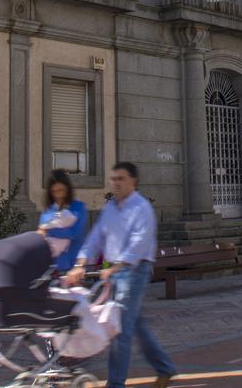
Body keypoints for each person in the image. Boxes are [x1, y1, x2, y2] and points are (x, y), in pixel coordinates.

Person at [65, 163, 176, 388]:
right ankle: (165, 368)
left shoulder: (141, 208)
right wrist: (81, 262)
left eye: (121, 178)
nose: (115, 182)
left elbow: (139, 242)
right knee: (134, 324)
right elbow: (96, 236)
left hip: (134, 272)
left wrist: (117, 266)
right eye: (113, 178)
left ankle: (115, 384)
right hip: (115, 273)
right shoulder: (110, 208)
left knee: (119, 329)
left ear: (133, 182)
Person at [38, 169, 88, 273]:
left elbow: (75, 233)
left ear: (67, 189)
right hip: (53, 265)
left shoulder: (79, 207)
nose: (58, 196)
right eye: (54, 192)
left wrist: (49, 231)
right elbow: (42, 236)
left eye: (61, 190)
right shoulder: (47, 211)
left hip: (74, 264)